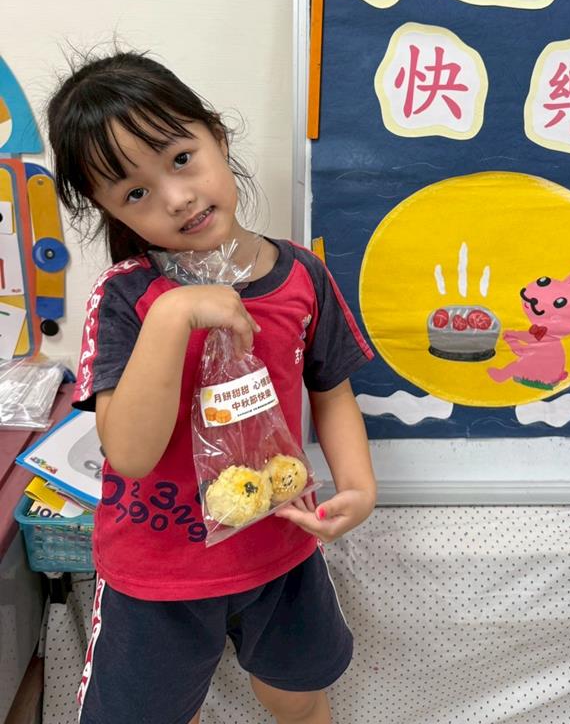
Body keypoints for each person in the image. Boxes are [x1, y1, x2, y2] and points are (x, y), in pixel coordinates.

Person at [46, 50, 376, 724]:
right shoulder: (127, 298)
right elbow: (128, 453)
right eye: (134, 193)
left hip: (281, 550)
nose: (176, 197)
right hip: (156, 573)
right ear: (110, 211)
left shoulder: (302, 276)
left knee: (298, 697)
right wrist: (173, 315)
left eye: (180, 158)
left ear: (217, 137)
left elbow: (331, 390)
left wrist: (358, 485)